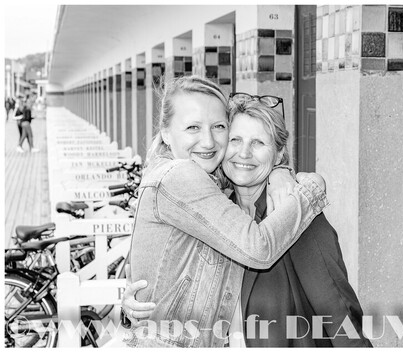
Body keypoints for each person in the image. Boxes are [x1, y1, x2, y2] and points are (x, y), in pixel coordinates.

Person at [123, 94, 372, 347]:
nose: (243, 153)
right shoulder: (212, 212)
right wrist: (133, 305)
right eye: (235, 140)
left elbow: (338, 311)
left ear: (278, 155)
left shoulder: (294, 217)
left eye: (258, 143)